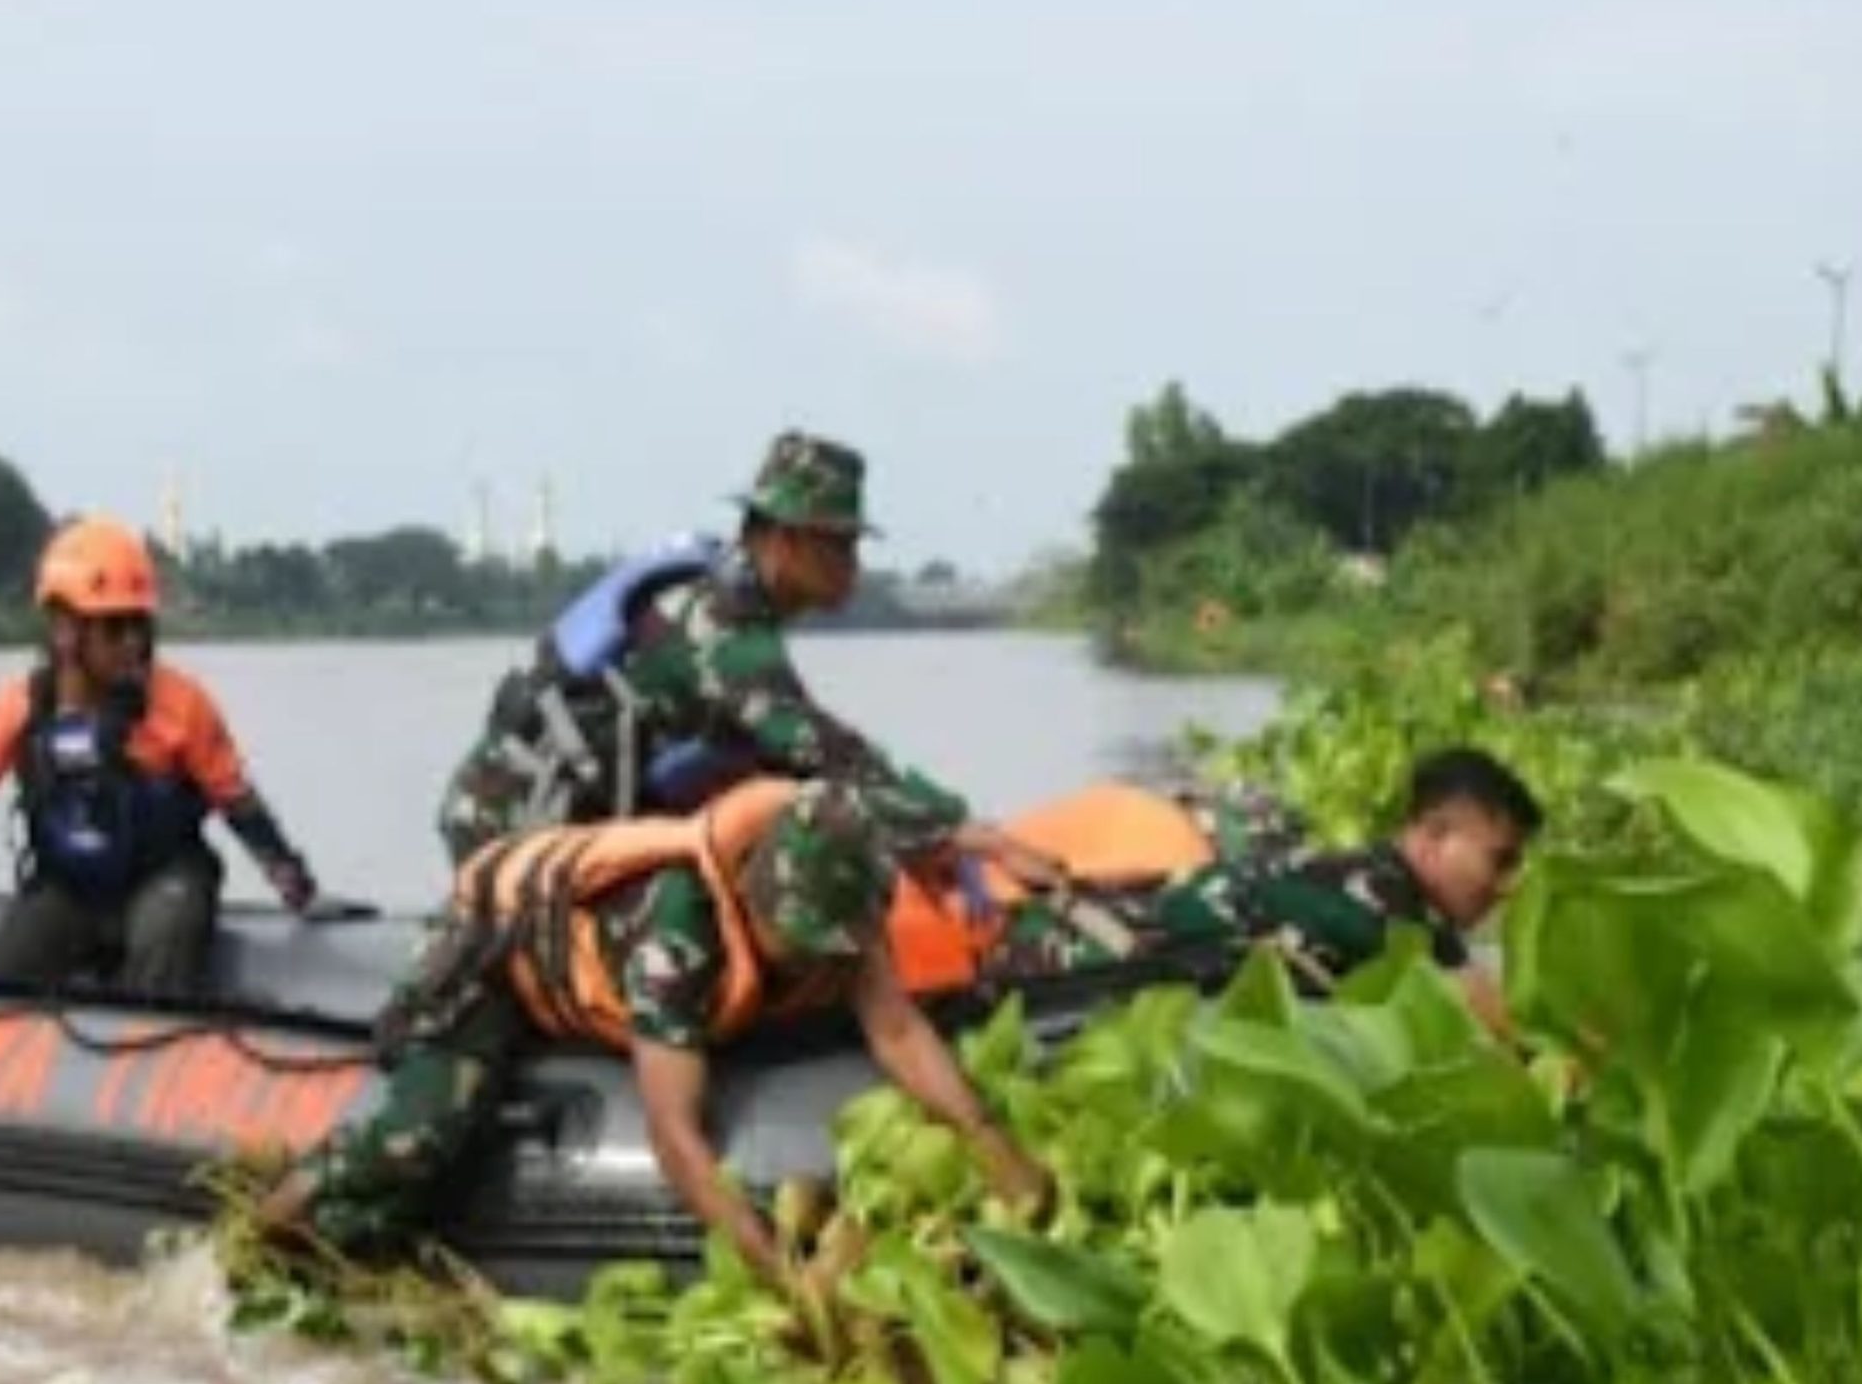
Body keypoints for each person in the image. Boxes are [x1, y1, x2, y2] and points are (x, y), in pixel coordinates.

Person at [257, 778, 1051, 1284]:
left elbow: (900, 1032)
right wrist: (783, 1277)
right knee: (421, 1133)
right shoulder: (681, 928)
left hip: (614, 947)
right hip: (500, 949)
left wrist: (994, 1148)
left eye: (834, 945)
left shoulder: (842, 882)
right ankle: (267, 1227)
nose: (824, 963)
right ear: (750, 892)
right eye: (801, 942)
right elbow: (676, 1138)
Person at [435, 427, 1062, 898]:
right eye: (838, 543)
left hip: (573, 820)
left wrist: (934, 835)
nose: (853, 565)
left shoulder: (737, 614)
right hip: (512, 826)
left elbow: (789, 761)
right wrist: (969, 833)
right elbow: (819, 748)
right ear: (785, 540)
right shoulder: (718, 621)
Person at [0, 516, 327, 996]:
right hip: (68, 890)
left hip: (164, 878)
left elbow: (239, 805)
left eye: (141, 625)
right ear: (65, 631)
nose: (133, 644)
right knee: (1, 979)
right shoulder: (18, 711)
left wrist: (299, 889)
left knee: (162, 942)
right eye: (116, 627)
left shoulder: (183, 706)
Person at [976, 747, 1544, 1035]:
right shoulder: (1380, 907)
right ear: (1433, 838)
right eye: (1500, 860)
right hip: (1058, 972)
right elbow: (1494, 1015)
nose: (1507, 884)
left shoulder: (1398, 896)